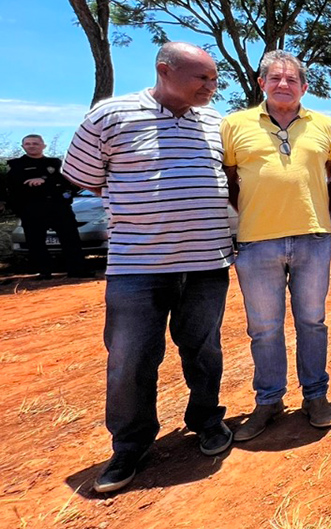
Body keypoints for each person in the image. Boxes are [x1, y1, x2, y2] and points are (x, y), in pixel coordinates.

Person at [62, 42, 235, 493]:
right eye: (202, 78)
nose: (211, 86)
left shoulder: (219, 124)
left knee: (203, 349)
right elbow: (84, 177)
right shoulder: (110, 116)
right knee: (131, 357)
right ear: (165, 70)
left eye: (213, 78)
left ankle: (206, 419)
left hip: (206, 261)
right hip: (137, 265)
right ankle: (131, 444)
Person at [222, 51, 331, 440]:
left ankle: (316, 396)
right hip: (256, 241)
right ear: (262, 84)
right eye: (275, 78)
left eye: (291, 79)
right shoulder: (234, 125)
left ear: (304, 86)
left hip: (313, 237)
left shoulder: (326, 126)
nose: (283, 85)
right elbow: (228, 177)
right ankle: (269, 401)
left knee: (313, 322)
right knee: (264, 328)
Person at [6, 134, 87, 279]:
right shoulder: (16, 165)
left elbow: (65, 181)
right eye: (28, 144)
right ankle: (44, 272)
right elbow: (13, 187)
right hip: (32, 209)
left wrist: (43, 179)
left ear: (43, 146)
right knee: (35, 242)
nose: (32, 146)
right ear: (23, 146)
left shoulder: (55, 163)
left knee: (71, 239)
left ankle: (77, 271)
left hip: (58, 207)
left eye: (35, 143)